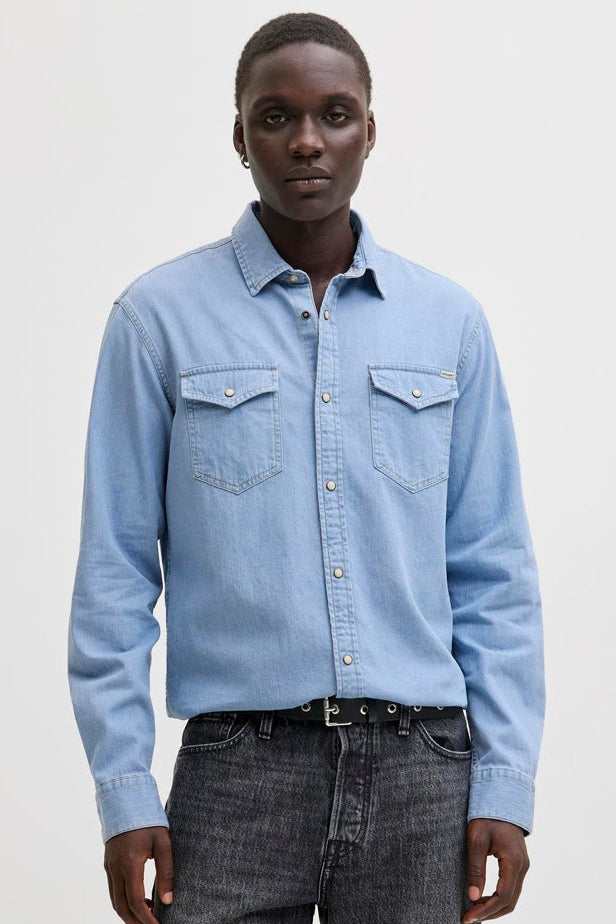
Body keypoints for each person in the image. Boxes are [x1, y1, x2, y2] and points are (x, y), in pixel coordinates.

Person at [67, 11, 545, 924]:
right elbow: (114, 577)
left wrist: (505, 782)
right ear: (239, 136)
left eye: (335, 114)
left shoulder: (448, 323)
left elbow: (495, 571)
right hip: (237, 776)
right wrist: (125, 794)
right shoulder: (156, 320)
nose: (307, 141)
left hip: (423, 775)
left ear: (370, 130)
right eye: (275, 116)